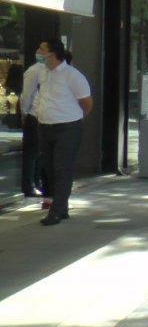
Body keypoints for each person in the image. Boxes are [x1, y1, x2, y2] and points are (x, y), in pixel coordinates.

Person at [32, 39, 92, 226]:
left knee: (62, 168)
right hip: (45, 126)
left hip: (67, 127)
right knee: (49, 167)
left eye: (42, 48)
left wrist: (76, 118)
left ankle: (55, 211)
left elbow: (87, 103)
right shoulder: (42, 72)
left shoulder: (72, 75)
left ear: (52, 53)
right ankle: (62, 206)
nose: (38, 51)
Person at [21, 52, 46, 199]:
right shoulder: (35, 70)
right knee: (32, 153)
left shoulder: (48, 71)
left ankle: (36, 182)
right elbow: (27, 94)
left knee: (39, 153)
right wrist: (25, 113)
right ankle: (29, 185)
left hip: (43, 116)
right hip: (34, 115)